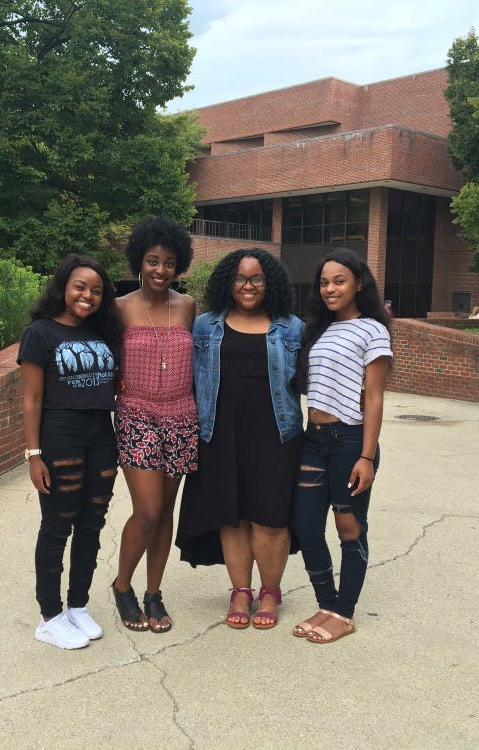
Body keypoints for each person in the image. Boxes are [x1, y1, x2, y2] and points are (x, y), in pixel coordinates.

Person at [176, 248, 304, 630]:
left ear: (270, 283)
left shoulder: (292, 327)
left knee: (270, 517)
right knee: (231, 516)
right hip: (219, 429)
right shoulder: (204, 325)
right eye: (241, 279)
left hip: (276, 432)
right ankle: (241, 591)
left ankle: (270, 592)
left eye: (257, 279)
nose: (248, 286)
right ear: (228, 283)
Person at [17, 254, 123, 650]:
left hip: (101, 432)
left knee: (92, 523)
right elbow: (31, 399)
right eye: (80, 286)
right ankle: (49, 615)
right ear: (63, 286)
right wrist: (34, 453)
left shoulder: (101, 332)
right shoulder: (40, 333)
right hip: (60, 433)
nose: (88, 295)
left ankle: (78, 604)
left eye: (96, 290)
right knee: (58, 524)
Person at [292, 248, 392, 644]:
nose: (330, 288)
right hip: (313, 440)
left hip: (350, 440)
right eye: (324, 282)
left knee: (348, 527)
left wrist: (367, 456)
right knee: (306, 526)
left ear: (358, 283)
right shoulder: (317, 329)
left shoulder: (373, 329)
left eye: (339, 281)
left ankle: (344, 612)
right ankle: (327, 602)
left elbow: (374, 396)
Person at [112, 218, 198, 634]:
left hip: (182, 417)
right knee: (146, 510)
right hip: (136, 414)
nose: (160, 270)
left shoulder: (187, 306)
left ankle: (153, 593)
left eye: (168, 263)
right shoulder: (121, 307)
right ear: (138, 262)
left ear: (178, 266)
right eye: (152, 261)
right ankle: (123, 586)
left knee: (165, 513)